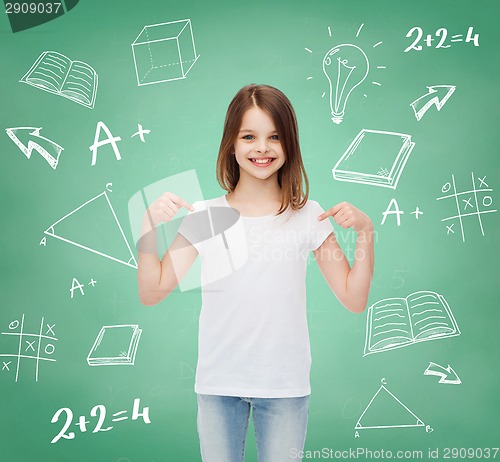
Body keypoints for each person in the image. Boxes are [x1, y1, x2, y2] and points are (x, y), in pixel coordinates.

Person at [137, 84, 374, 462]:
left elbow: (354, 298)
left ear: (289, 144)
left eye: (274, 137)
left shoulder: (309, 215)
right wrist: (147, 226)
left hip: (284, 386)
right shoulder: (205, 216)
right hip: (218, 383)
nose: (261, 148)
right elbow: (152, 291)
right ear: (231, 143)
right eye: (249, 136)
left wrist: (365, 232)